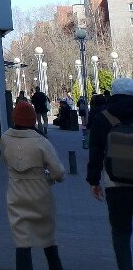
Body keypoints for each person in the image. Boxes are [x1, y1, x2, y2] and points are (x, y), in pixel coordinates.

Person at [1, 101, 66, 270]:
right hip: (40, 195)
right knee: (47, 239)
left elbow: (4, 160)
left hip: (15, 194)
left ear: (15, 118)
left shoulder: (5, 138)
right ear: (33, 120)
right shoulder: (41, 141)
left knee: (21, 242)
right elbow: (59, 172)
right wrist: (49, 177)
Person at [87, 77, 133, 270]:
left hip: (115, 183)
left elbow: (96, 152)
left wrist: (93, 181)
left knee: (121, 231)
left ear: (113, 93)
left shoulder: (103, 118)